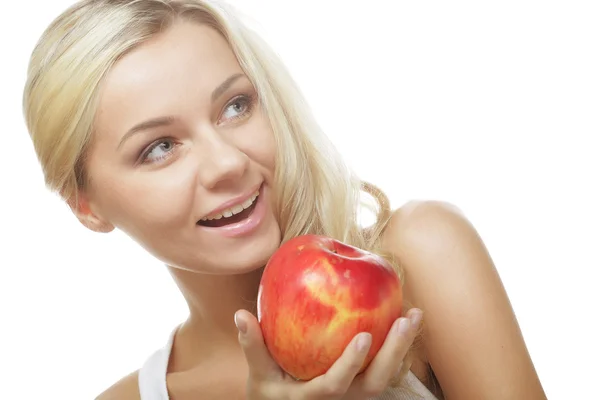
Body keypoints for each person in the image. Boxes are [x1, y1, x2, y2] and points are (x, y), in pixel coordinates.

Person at [22, 0, 547, 399]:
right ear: (85, 206)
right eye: (160, 148)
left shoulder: (420, 262)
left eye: (235, 106)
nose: (229, 162)